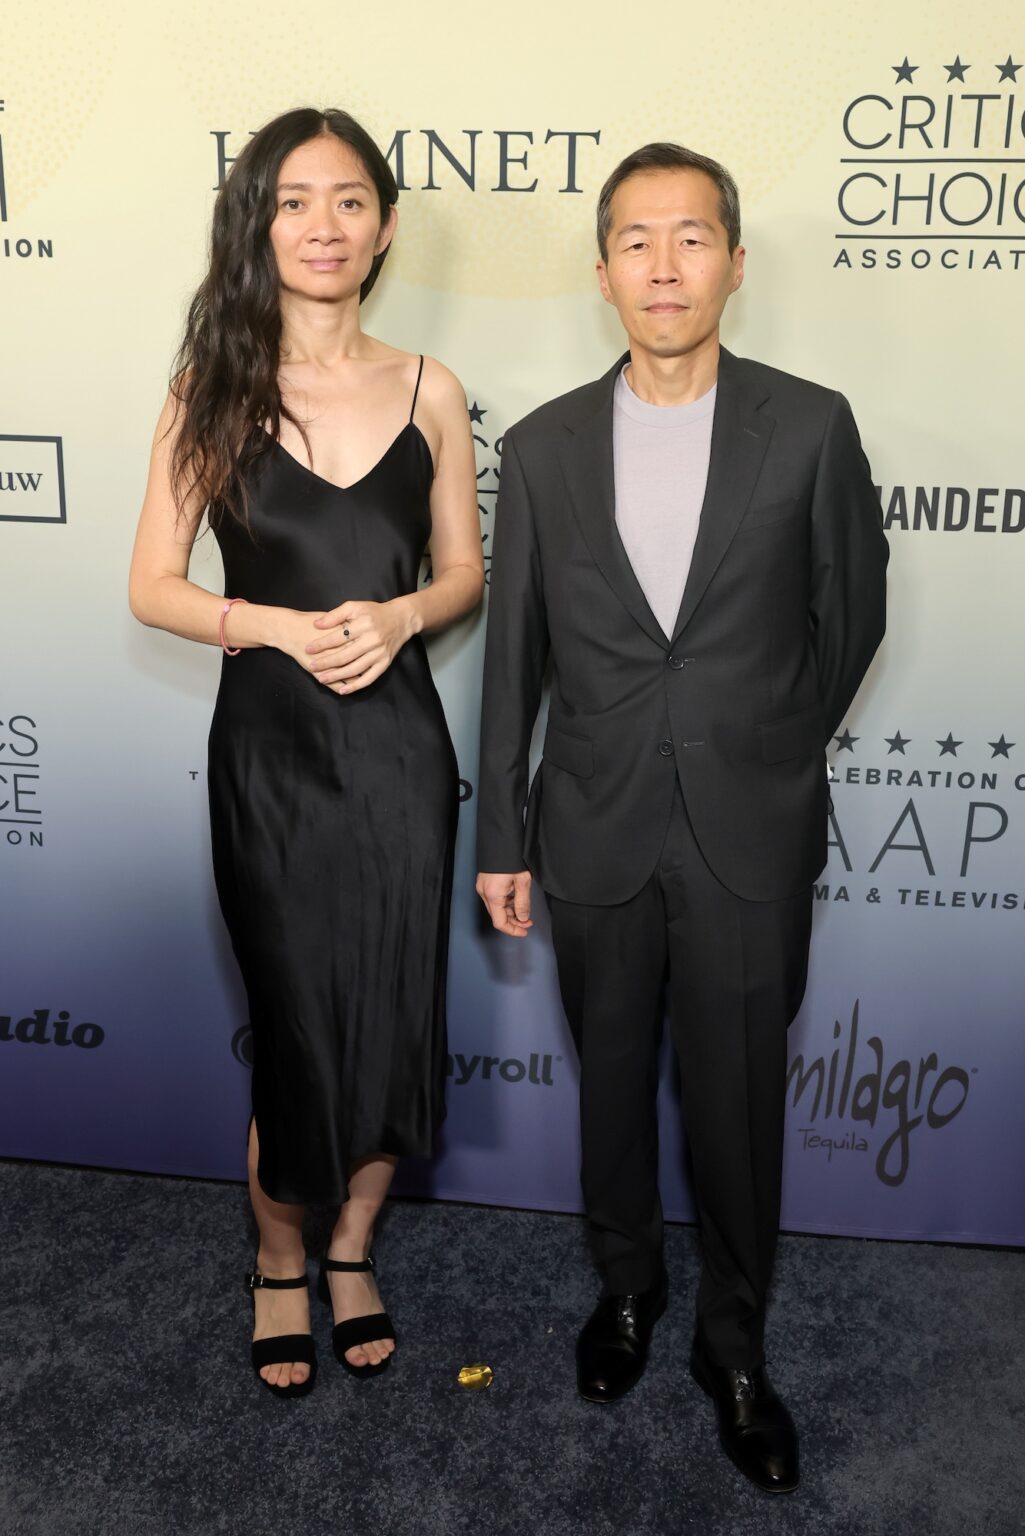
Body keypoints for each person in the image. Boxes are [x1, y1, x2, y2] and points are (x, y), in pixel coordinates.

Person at [476, 143, 887, 1492]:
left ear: (734, 262)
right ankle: (627, 1290)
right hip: (592, 825)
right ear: (602, 271)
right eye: (637, 241)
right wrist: (502, 840)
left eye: (692, 237)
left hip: (745, 831)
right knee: (609, 1088)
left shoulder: (809, 425)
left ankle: (735, 1345)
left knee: (737, 1103)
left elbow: (848, 615)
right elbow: (513, 662)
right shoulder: (540, 448)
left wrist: (763, 740)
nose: (664, 266)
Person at [129, 107, 483, 1398]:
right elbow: (153, 586)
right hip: (270, 757)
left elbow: (464, 574)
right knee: (292, 1023)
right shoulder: (209, 391)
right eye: (292, 201)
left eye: (348, 201)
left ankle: (349, 1249)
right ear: (257, 225)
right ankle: (278, 1259)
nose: (322, 226)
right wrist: (274, 624)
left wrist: (400, 615)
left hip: (398, 756)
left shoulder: (431, 387)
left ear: (383, 228)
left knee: (389, 1016)